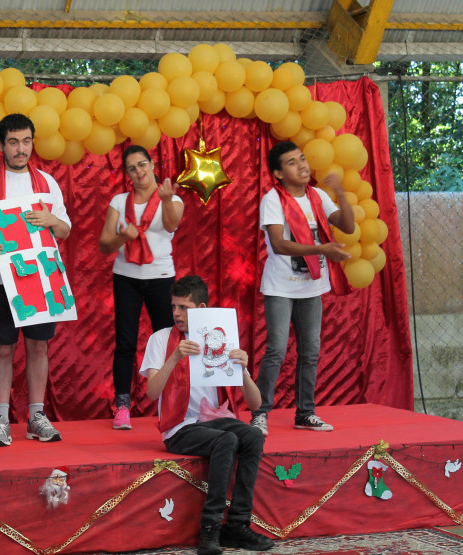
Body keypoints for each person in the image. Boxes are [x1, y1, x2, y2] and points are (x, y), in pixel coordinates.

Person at [0, 113, 71, 448]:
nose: (20, 149)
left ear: (33, 142)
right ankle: (1, 419)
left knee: (39, 345)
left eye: (26, 141)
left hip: (40, 277)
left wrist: (52, 219)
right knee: (3, 348)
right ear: (0, 145)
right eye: (13, 142)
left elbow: (65, 230)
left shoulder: (47, 183)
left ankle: (36, 416)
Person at [140, 275, 274, 555]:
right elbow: (152, 393)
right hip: (180, 427)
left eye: (184, 308)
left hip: (216, 420)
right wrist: (174, 357)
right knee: (225, 440)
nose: (176, 313)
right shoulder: (161, 339)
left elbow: (255, 402)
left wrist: (244, 369)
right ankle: (210, 528)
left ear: (201, 308)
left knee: (251, 436)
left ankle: (237, 525)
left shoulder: (220, 337)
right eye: (174, 306)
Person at [250, 141, 354, 436]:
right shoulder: (272, 199)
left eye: (303, 159)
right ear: (279, 173)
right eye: (293, 162)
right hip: (281, 288)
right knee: (276, 351)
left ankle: (305, 413)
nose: (303, 165)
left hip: (312, 287)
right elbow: (280, 244)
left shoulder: (318, 196)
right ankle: (260, 414)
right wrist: (323, 248)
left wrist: (341, 193)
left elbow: (346, 226)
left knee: (311, 352)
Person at [99, 144, 184, 431]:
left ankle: (170, 403)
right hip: (126, 278)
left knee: (167, 341)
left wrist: (168, 199)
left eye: (142, 165)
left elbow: (171, 225)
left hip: (161, 276)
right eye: (132, 168)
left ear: (152, 165)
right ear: (127, 173)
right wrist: (123, 238)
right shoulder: (119, 201)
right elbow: (104, 245)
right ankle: (122, 406)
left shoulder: (169, 196)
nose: (139, 171)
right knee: (125, 343)